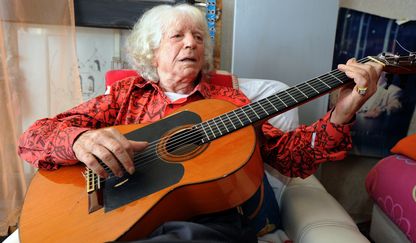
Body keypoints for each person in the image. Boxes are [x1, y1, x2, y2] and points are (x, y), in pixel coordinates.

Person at [17, 3, 383, 243]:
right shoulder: (125, 95)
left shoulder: (228, 104)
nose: (191, 44)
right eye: (177, 37)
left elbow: (290, 159)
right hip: (123, 215)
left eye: (197, 37)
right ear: (152, 51)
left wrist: (341, 111)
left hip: (204, 223)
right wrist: (81, 140)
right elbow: (33, 137)